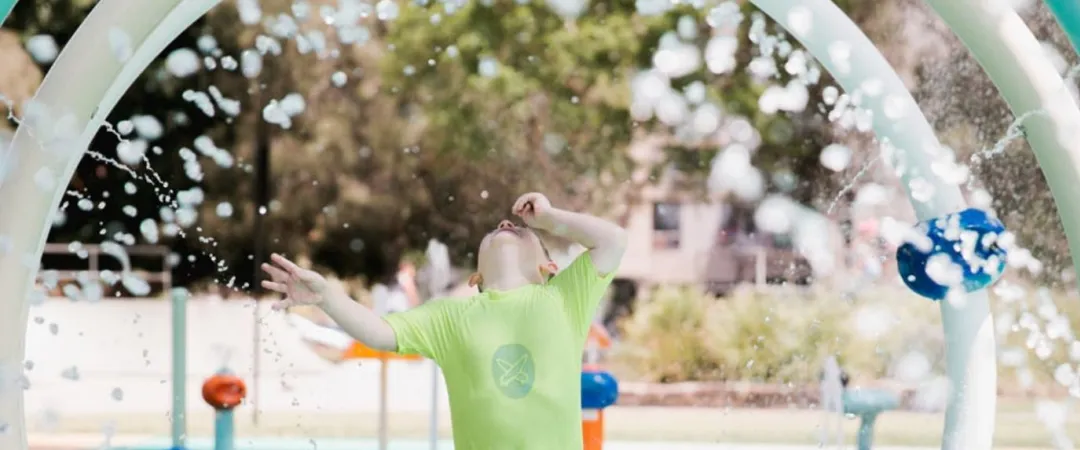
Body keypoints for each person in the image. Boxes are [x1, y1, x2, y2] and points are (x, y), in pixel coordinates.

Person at [260, 192, 627, 449]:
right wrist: (328, 297)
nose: (504, 222)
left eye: (524, 231)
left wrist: (550, 219)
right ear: (475, 279)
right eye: (492, 232)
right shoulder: (450, 316)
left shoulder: (563, 298)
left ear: (549, 268)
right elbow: (381, 331)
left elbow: (613, 240)